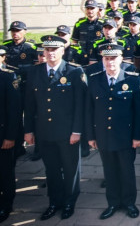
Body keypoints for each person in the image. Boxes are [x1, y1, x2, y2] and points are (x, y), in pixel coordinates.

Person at [24, 35, 86, 220]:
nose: (50, 53)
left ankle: (69, 202)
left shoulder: (74, 71)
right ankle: (54, 202)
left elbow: (80, 105)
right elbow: (29, 104)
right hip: (44, 131)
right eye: (47, 49)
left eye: (55, 49)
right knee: (51, 170)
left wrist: (77, 131)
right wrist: (28, 130)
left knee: (70, 169)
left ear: (62, 50)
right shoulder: (34, 72)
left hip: (68, 132)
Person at [84, 44, 140, 220]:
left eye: (114, 58)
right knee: (109, 171)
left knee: (127, 170)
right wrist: (91, 136)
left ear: (121, 59)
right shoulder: (94, 80)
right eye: (106, 58)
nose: (110, 62)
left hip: (125, 136)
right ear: (103, 59)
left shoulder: (132, 80)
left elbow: (138, 112)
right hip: (103, 135)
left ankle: (130, 203)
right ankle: (113, 203)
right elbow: (89, 110)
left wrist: (137, 136)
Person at [0, 44, 22, 225]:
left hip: (1, 137)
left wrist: (11, 137)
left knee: (4, 174)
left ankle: (6, 205)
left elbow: (14, 111)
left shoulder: (5, 77)